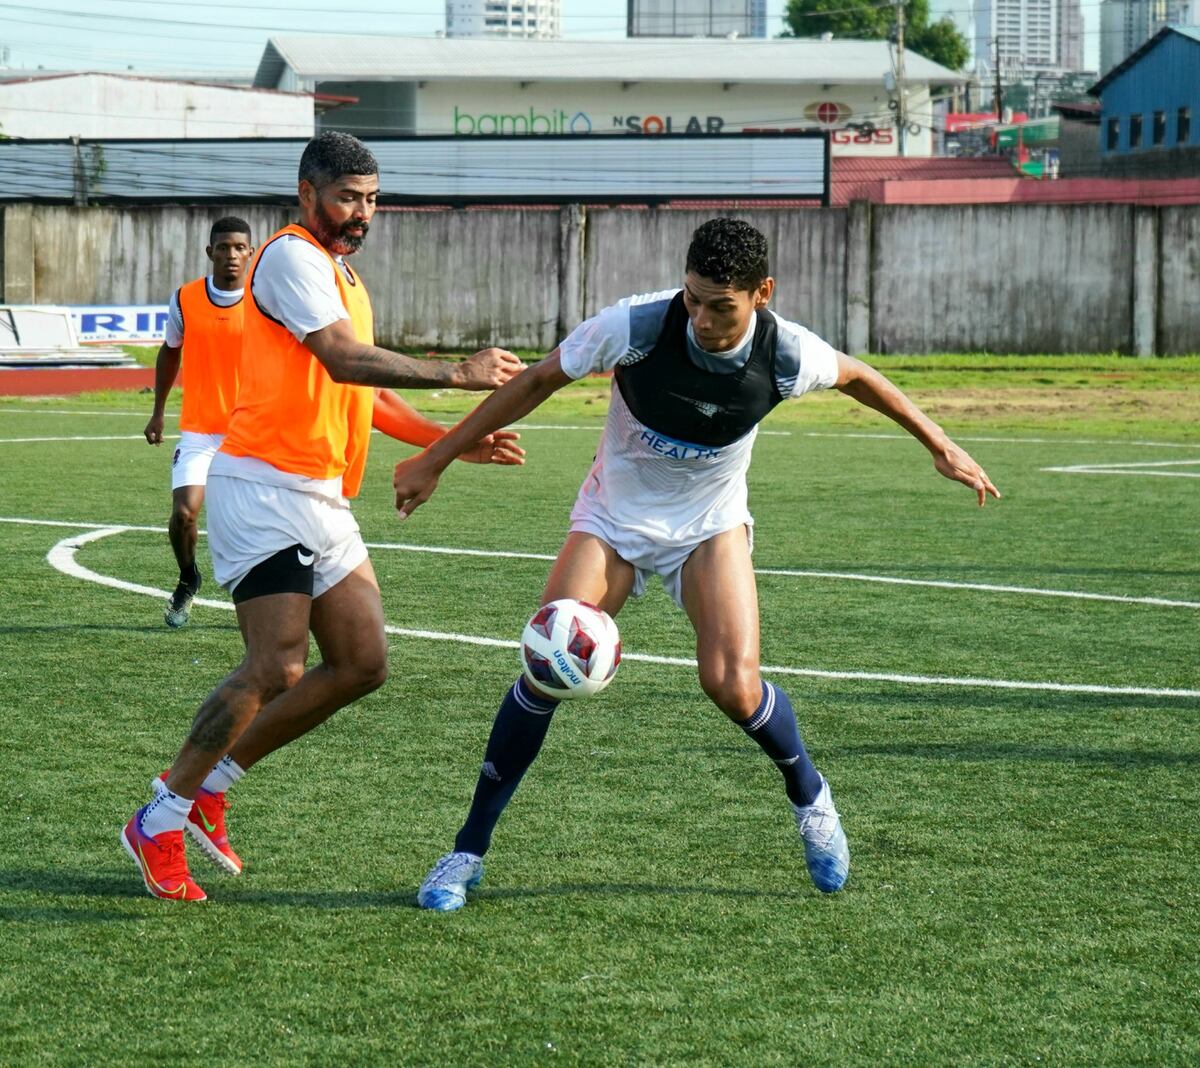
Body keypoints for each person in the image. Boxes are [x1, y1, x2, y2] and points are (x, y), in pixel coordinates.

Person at [393, 217, 1001, 911]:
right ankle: (466, 852)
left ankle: (810, 795)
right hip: (614, 523)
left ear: (761, 294)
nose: (703, 318)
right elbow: (538, 380)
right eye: (694, 298)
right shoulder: (635, 327)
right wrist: (435, 456)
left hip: (708, 530)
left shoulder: (787, 353)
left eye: (722, 306)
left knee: (732, 686)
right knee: (546, 660)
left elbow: (861, 378)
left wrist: (940, 445)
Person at [121, 131, 525, 902]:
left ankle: (212, 787)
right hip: (263, 486)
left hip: (319, 496)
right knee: (276, 665)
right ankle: (162, 813)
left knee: (362, 661)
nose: (362, 213)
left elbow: (362, 394)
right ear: (308, 194)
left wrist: (446, 445)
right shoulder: (291, 257)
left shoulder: (343, 277)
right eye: (348, 197)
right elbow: (343, 358)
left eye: (372, 199)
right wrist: (456, 372)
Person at [144, 217, 254, 628]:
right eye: (223, 247)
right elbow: (170, 351)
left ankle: (259, 598)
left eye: (239, 247)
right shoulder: (185, 299)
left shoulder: (265, 300)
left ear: (251, 252)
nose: (231, 255)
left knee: (256, 524)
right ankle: (188, 578)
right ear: (210, 253)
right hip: (200, 431)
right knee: (184, 515)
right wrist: (158, 411)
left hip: (252, 432)